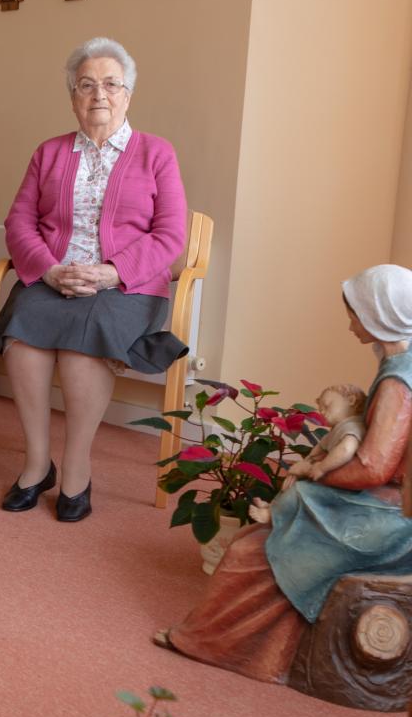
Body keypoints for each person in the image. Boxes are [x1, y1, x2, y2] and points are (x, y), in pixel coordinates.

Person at [157, 264, 412, 684]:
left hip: (384, 516)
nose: (350, 323)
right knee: (259, 540)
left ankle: (219, 644)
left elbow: (373, 466)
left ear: (378, 314)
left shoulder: (399, 381)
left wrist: (316, 476)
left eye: (356, 313)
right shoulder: (398, 367)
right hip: (381, 503)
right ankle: (246, 649)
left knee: (254, 554)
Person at [0, 37, 188, 522]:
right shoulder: (49, 153)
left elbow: (171, 234)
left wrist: (113, 272)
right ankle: (36, 465)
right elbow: (19, 223)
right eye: (87, 84)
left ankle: (76, 467)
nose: (99, 94)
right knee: (23, 339)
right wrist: (50, 270)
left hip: (125, 287)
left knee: (80, 346)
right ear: (73, 96)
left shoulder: (156, 153)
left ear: (128, 94)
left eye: (111, 84)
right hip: (54, 278)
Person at [251, 383, 366, 523]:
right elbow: (318, 449)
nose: (322, 412)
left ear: (351, 401)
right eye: (321, 408)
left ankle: (273, 516)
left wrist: (322, 467)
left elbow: (346, 450)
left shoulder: (352, 426)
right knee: (291, 483)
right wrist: (304, 464)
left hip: (338, 482)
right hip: (325, 473)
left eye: (327, 406)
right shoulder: (338, 429)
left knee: (300, 490)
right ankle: (273, 507)